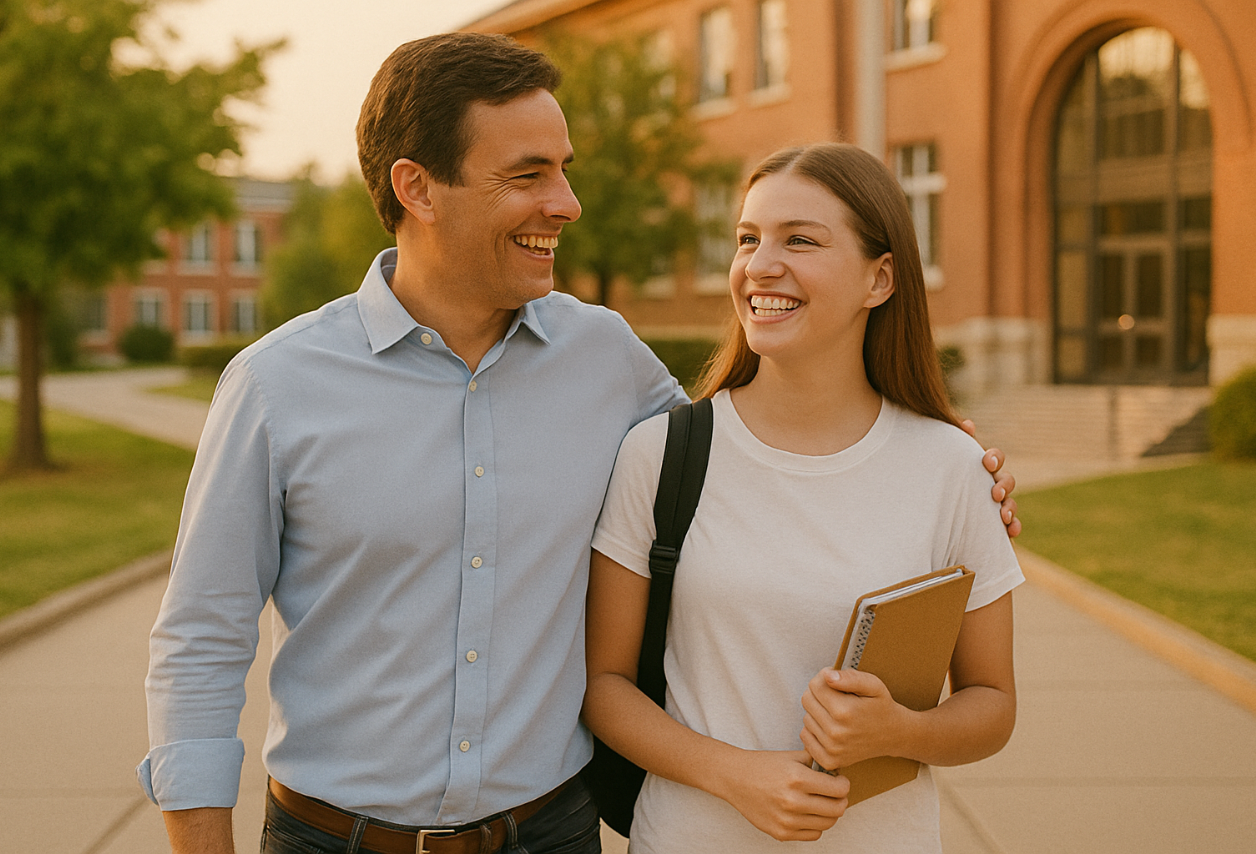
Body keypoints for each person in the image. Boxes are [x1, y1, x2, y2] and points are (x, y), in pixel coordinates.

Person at [139, 34, 1019, 854]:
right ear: (416, 188)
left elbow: (753, 453)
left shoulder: (607, 360)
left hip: (549, 833)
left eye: (563, 170)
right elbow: (201, 642)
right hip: (333, 837)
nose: (567, 203)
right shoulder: (277, 385)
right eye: (528, 175)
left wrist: (938, 461)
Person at [584, 143, 1026, 853]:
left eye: (800, 240)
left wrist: (901, 731)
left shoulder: (952, 467)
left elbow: (992, 705)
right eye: (747, 239)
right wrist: (736, 776)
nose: (760, 265)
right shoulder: (660, 454)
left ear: (879, 279)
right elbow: (604, 685)